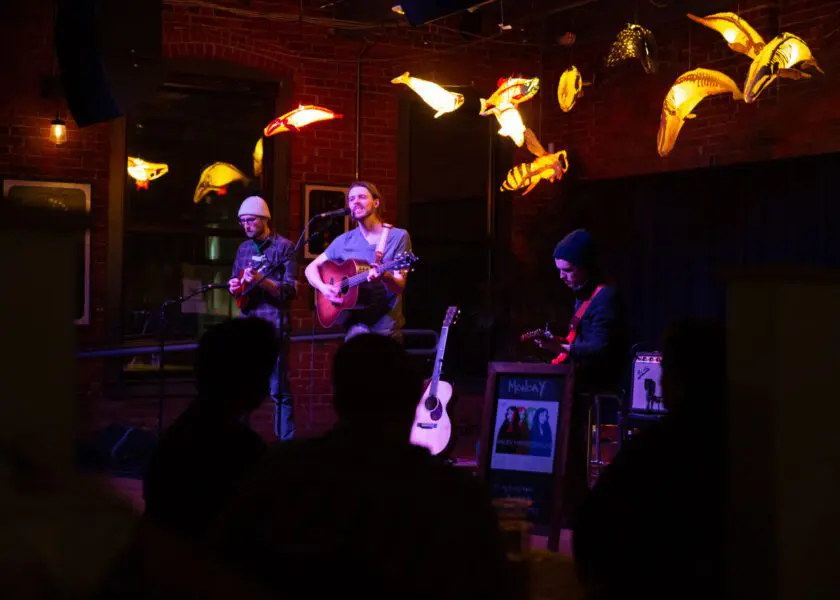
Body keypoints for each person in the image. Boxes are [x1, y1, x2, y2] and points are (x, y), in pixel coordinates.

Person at [208, 334, 515, 600]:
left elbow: (222, 562)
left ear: (337, 400)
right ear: (414, 401)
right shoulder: (457, 497)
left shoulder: (281, 472)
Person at [572, 319, 726, 600]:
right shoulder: (751, 447)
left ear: (677, 379)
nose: (661, 381)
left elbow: (592, 529)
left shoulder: (654, 451)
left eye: (665, 371)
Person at [142, 317, 278, 543]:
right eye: (264, 372)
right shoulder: (241, 451)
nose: (266, 385)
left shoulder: (178, 439)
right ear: (248, 377)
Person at [526, 228, 627, 522]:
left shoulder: (605, 297)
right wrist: (558, 344)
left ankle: (568, 488)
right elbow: (580, 343)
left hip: (599, 374)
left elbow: (600, 346)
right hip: (582, 370)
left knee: (554, 390)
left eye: (568, 270)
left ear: (586, 265)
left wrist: (564, 348)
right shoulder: (584, 297)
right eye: (559, 270)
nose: (562, 277)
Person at [304, 181, 411, 341]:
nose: (356, 202)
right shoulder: (344, 240)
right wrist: (324, 288)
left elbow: (399, 286)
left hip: (386, 328)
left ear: (376, 203)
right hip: (354, 328)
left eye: (362, 197)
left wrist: (385, 276)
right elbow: (310, 268)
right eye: (351, 199)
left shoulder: (397, 236)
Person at [228, 195, 297, 440]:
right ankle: (240, 443)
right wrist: (235, 286)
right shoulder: (243, 248)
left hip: (274, 326)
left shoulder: (284, 247)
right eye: (242, 221)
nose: (246, 225)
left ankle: (285, 446)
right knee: (243, 388)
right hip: (247, 326)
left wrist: (261, 280)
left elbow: (289, 290)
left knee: (278, 390)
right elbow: (238, 286)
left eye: (251, 220)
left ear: (265, 219)